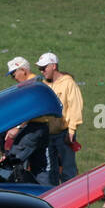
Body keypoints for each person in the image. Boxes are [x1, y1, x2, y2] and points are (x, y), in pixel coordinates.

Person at [1, 58, 50, 184]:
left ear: (23, 70)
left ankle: (1, 190)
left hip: (32, 128)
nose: (13, 78)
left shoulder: (31, 84)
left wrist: (17, 128)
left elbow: (30, 110)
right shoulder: (38, 81)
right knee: (39, 167)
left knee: (12, 161)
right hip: (43, 127)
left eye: (13, 74)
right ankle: (48, 196)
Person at [36, 52, 83, 185]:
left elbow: (76, 107)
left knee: (68, 170)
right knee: (50, 171)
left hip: (64, 133)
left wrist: (72, 131)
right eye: (40, 68)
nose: (41, 71)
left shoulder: (68, 83)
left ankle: (72, 198)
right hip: (47, 134)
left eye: (44, 67)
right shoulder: (43, 84)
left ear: (54, 66)